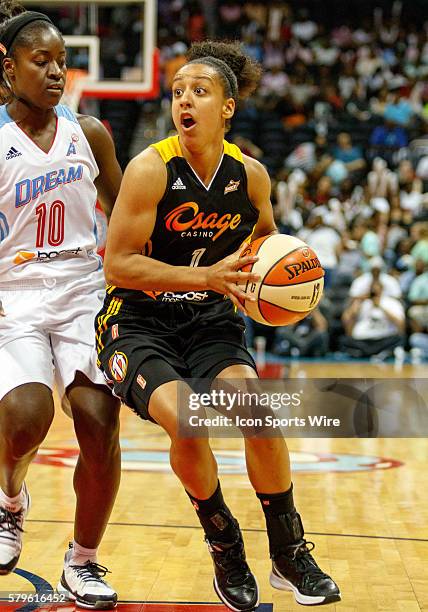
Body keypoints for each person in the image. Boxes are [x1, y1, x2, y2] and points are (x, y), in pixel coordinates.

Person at [97, 40, 340, 609]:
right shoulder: (150, 168)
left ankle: (288, 551)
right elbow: (119, 264)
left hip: (210, 321)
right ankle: (225, 544)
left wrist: (284, 279)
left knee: (258, 415)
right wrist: (205, 278)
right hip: (137, 321)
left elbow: (265, 241)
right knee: (188, 422)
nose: (185, 100)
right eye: (178, 92)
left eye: (199, 91)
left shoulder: (251, 176)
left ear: (226, 107)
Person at [0, 4, 122, 608]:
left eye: (62, 62)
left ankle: (85, 562)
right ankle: (10, 499)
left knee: (99, 422)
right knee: (27, 418)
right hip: (12, 297)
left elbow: (128, 218)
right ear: (8, 66)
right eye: (40, 60)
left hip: (83, 293)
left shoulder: (90, 133)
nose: (55, 73)